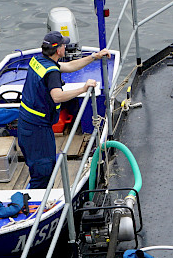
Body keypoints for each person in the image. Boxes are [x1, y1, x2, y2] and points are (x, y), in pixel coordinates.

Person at [16, 31, 112, 189]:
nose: (66, 46)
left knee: (36, 167)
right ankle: (37, 207)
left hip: (25, 123)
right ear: (58, 50)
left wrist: (94, 57)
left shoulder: (38, 60)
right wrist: (83, 88)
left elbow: (68, 66)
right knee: (44, 170)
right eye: (63, 44)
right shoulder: (52, 72)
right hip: (38, 129)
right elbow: (57, 96)